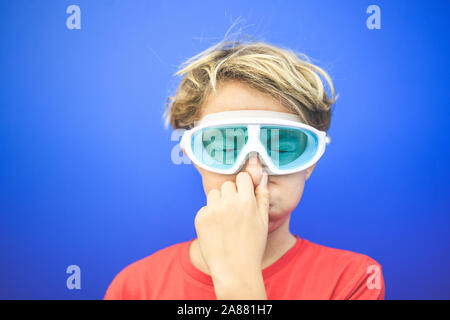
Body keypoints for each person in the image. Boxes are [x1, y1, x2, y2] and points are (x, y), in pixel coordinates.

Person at [104, 36, 385, 300]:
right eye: (226, 148)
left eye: (282, 148)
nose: (254, 174)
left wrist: (238, 278)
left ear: (311, 160)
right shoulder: (135, 287)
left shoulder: (353, 280)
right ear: (192, 155)